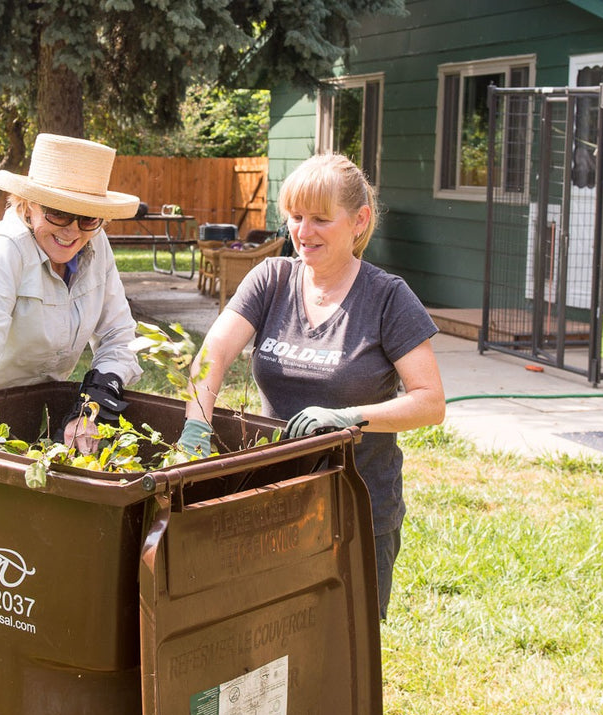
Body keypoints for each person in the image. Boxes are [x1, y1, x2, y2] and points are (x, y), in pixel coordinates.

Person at [177, 153, 446, 618]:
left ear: (359, 221)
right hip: (274, 497)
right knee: (268, 638)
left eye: (321, 219)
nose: (303, 232)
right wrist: (196, 427)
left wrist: (350, 418)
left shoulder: (387, 298)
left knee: (342, 647)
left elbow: (430, 404)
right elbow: (213, 355)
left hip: (356, 507)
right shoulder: (271, 280)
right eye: (296, 217)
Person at [0, 133, 142, 451]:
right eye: (58, 213)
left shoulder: (96, 245)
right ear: (29, 205)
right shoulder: (4, 252)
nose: (72, 231)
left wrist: (90, 409)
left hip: (35, 414)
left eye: (88, 217)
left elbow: (119, 338)